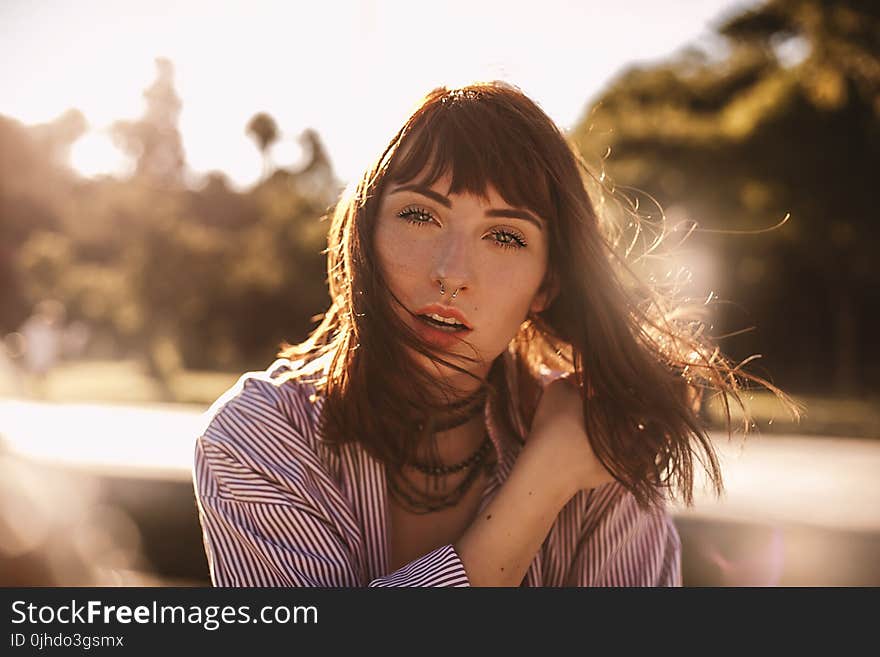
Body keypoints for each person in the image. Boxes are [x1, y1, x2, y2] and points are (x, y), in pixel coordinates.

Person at [192, 81, 796, 587]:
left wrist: (566, 460)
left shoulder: (597, 440)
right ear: (364, 237)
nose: (452, 274)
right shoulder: (258, 439)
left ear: (547, 283)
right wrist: (540, 486)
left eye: (504, 236)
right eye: (420, 215)